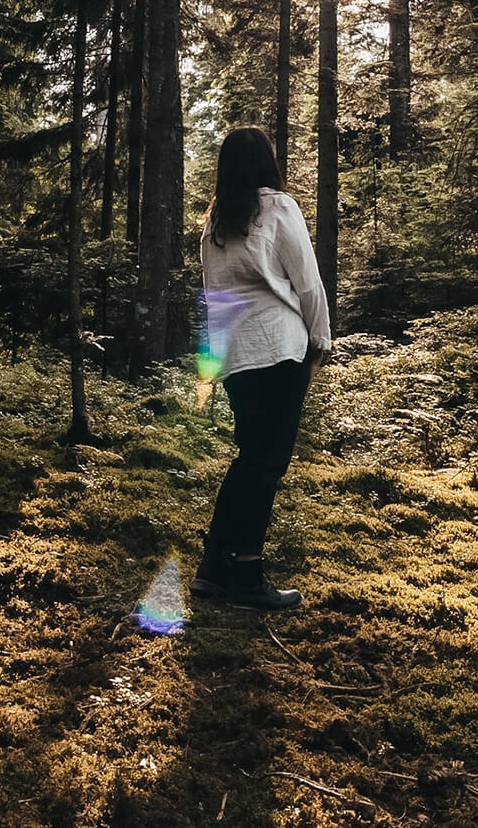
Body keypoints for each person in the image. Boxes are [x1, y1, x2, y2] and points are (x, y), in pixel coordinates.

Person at [192, 125, 331, 611]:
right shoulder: (278, 208)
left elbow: (214, 298)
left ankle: (213, 567)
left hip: (238, 357)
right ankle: (247, 575)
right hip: (278, 350)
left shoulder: (215, 225)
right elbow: (308, 283)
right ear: (266, 162)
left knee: (249, 459)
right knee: (265, 465)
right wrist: (322, 340)